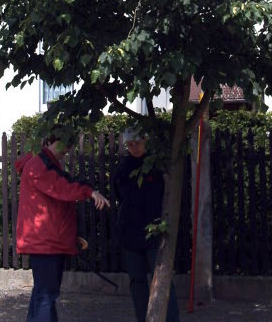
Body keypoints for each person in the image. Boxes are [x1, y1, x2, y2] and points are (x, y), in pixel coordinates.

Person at [16, 132, 110, 321]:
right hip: (45, 242)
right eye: (63, 144)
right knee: (46, 297)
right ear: (50, 141)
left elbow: (61, 188)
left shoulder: (47, 162)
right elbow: (62, 187)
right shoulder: (38, 165)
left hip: (47, 240)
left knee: (42, 294)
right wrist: (89, 192)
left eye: (69, 145)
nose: (66, 150)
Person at [113, 127, 179, 322]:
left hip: (154, 231)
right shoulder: (124, 167)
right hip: (130, 231)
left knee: (162, 281)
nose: (134, 148)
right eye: (130, 144)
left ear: (146, 141)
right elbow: (119, 194)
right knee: (137, 281)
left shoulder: (157, 166)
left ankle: (170, 318)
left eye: (138, 143)